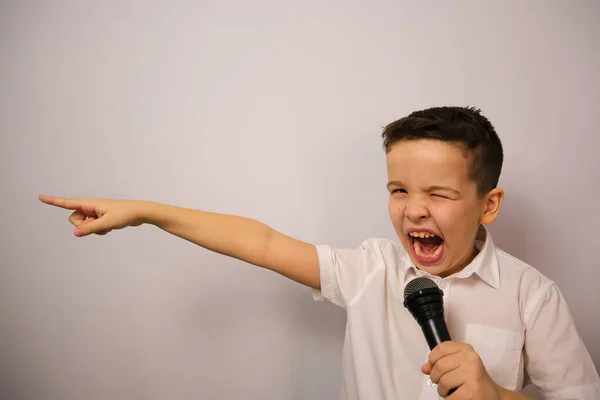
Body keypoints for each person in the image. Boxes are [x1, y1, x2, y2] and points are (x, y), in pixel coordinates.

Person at [39, 106, 600, 400]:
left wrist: (498, 398)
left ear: (489, 204)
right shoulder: (372, 270)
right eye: (398, 190)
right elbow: (260, 241)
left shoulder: (533, 296)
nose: (413, 210)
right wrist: (145, 211)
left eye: (439, 194)